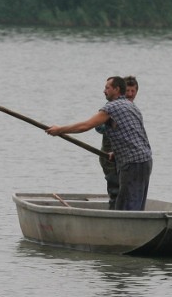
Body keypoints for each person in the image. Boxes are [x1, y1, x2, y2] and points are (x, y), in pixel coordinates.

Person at [46, 76, 152, 211]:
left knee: (126, 208)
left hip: (132, 164)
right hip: (146, 160)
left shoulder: (112, 107)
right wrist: (117, 152)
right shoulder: (131, 106)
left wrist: (59, 130)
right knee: (136, 205)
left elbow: (85, 126)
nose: (104, 91)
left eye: (107, 88)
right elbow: (135, 135)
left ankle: (124, 230)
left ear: (117, 89)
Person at [96, 76, 139, 209]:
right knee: (116, 190)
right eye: (128, 91)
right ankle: (114, 216)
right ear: (121, 91)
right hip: (109, 157)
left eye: (134, 91)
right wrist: (112, 125)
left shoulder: (133, 109)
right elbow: (98, 127)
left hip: (126, 158)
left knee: (128, 191)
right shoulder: (112, 108)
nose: (131, 94)